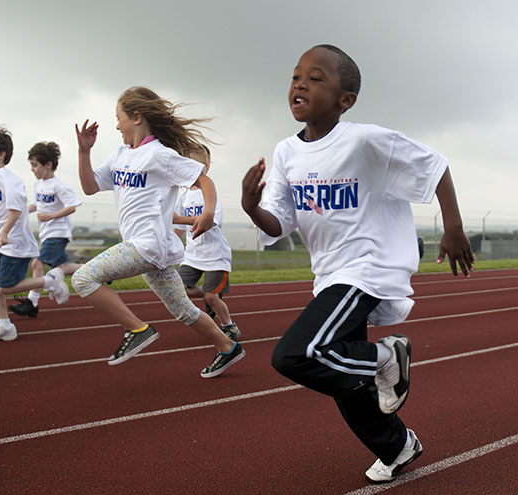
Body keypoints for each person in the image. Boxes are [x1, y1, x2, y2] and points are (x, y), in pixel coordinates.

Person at [241, 45, 474, 483]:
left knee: (296, 354)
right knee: (341, 377)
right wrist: (251, 207)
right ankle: (397, 444)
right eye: (295, 76)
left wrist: (454, 228)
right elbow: (278, 223)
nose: (300, 84)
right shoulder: (286, 153)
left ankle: (388, 356)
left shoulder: (365, 140)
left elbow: (434, 165)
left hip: (370, 265)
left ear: (345, 99)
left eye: (315, 78)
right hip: (330, 273)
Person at [71, 86, 245, 378]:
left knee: (83, 278)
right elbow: (89, 186)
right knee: (184, 310)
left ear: (137, 117)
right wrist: (83, 152)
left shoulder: (160, 156)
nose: (116, 125)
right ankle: (228, 347)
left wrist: (208, 212)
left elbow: (204, 181)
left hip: (148, 245)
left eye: (119, 118)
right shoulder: (118, 156)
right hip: (153, 250)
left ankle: (136, 329)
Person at [0, 126, 70, 342]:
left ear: (0, 154)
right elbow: (4, 213)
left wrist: (5, 231)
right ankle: (3, 325)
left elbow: (18, 208)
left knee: (5, 286)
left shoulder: (8, 179)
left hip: (15, 243)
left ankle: (50, 280)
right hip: (2, 240)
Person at [173, 146, 240, 341]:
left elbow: (209, 221)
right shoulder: (183, 197)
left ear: (207, 167)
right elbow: (177, 227)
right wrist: (171, 247)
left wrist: (179, 218)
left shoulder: (210, 193)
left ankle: (229, 325)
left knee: (212, 298)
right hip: (192, 256)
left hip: (215, 256)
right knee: (178, 289)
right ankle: (210, 292)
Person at [8, 141, 82, 318]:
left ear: (48, 164)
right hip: (46, 233)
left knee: (37, 263)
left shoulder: (58, 185)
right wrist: (23, 210)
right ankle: (94, 269)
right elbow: (38, 204)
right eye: (31, 165)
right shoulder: (39, 184)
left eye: (35, 165)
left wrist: (51, 216)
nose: (32, 169)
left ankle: (32, 302)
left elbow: (72, 206)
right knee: (62, 266)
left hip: (58, 233)